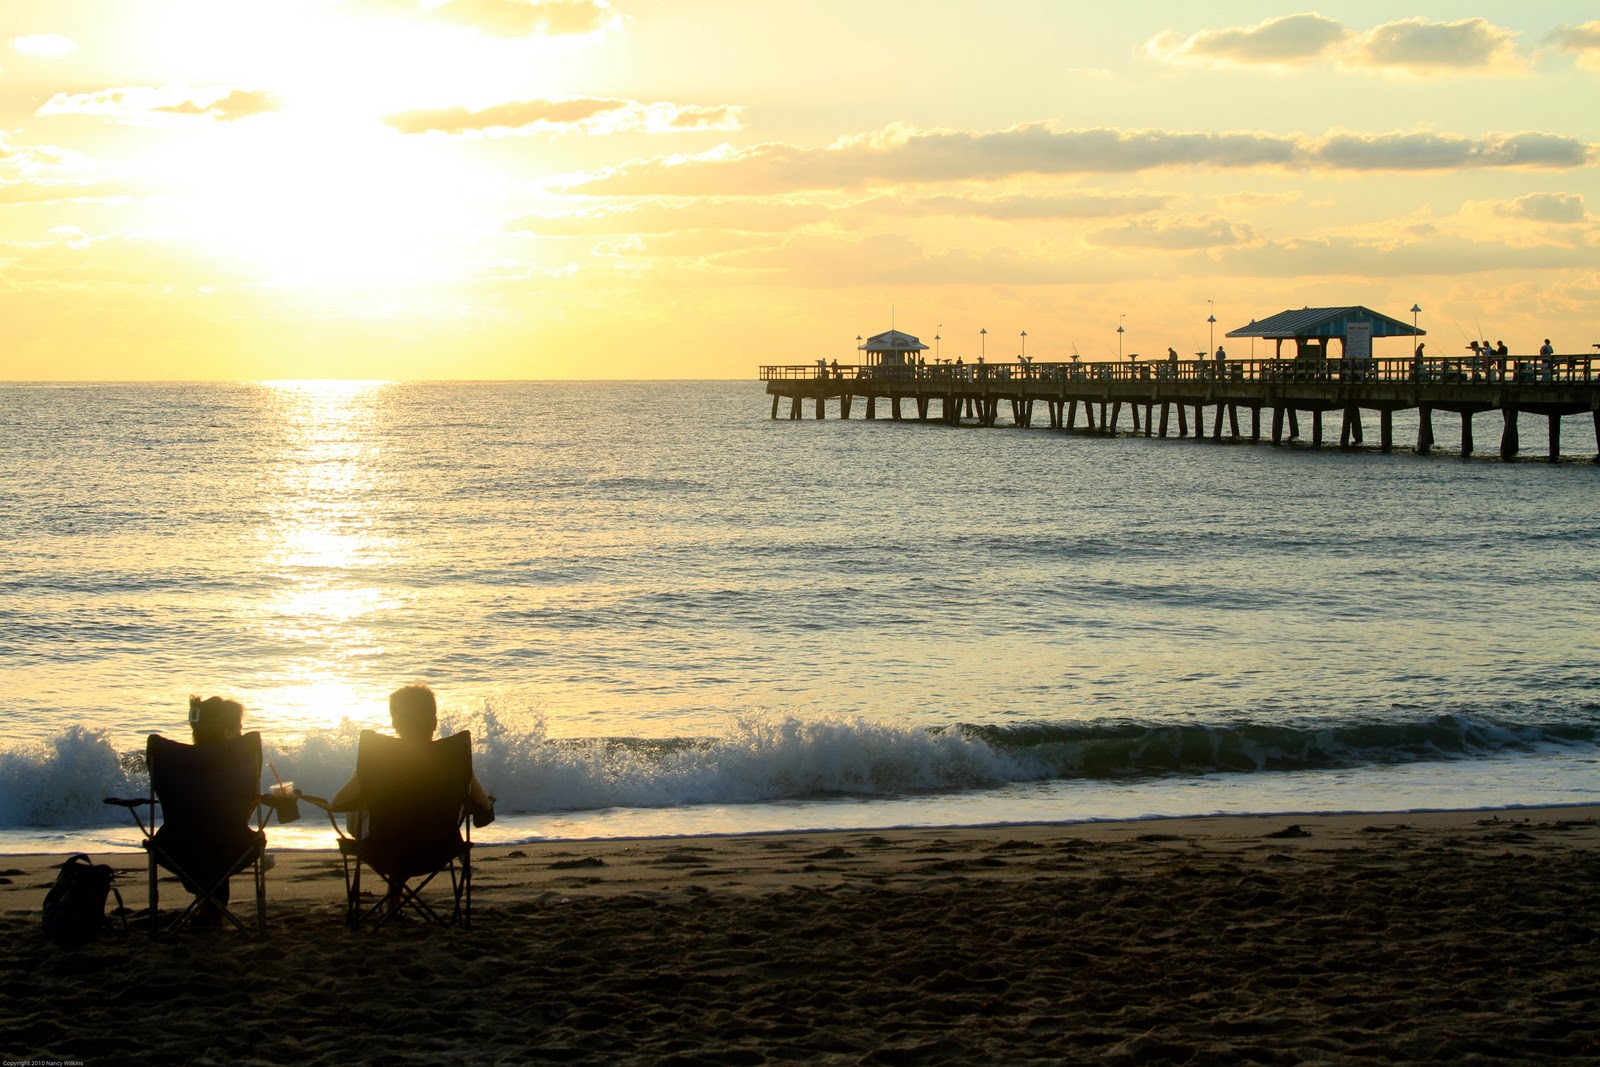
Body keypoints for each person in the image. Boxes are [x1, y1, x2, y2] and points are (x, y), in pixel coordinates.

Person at [151, 696, 265, 923]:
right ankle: (212, 908)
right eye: (239, 728)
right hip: (232, 846)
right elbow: (245, 808)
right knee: (221, 838)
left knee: (205, 839)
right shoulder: (238, 766)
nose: (242, 734)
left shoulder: (175, 762)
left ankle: (207, 905)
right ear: (227, 732)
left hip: (176, 848)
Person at [331, 685, 493, 827]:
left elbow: (338, 804)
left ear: (395, 724)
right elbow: (484, 806)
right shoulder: (454, 759)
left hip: (384, 847)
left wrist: (369, 796)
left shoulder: (378, 760)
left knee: (359, 800)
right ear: (435, 722)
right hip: (439, 846)